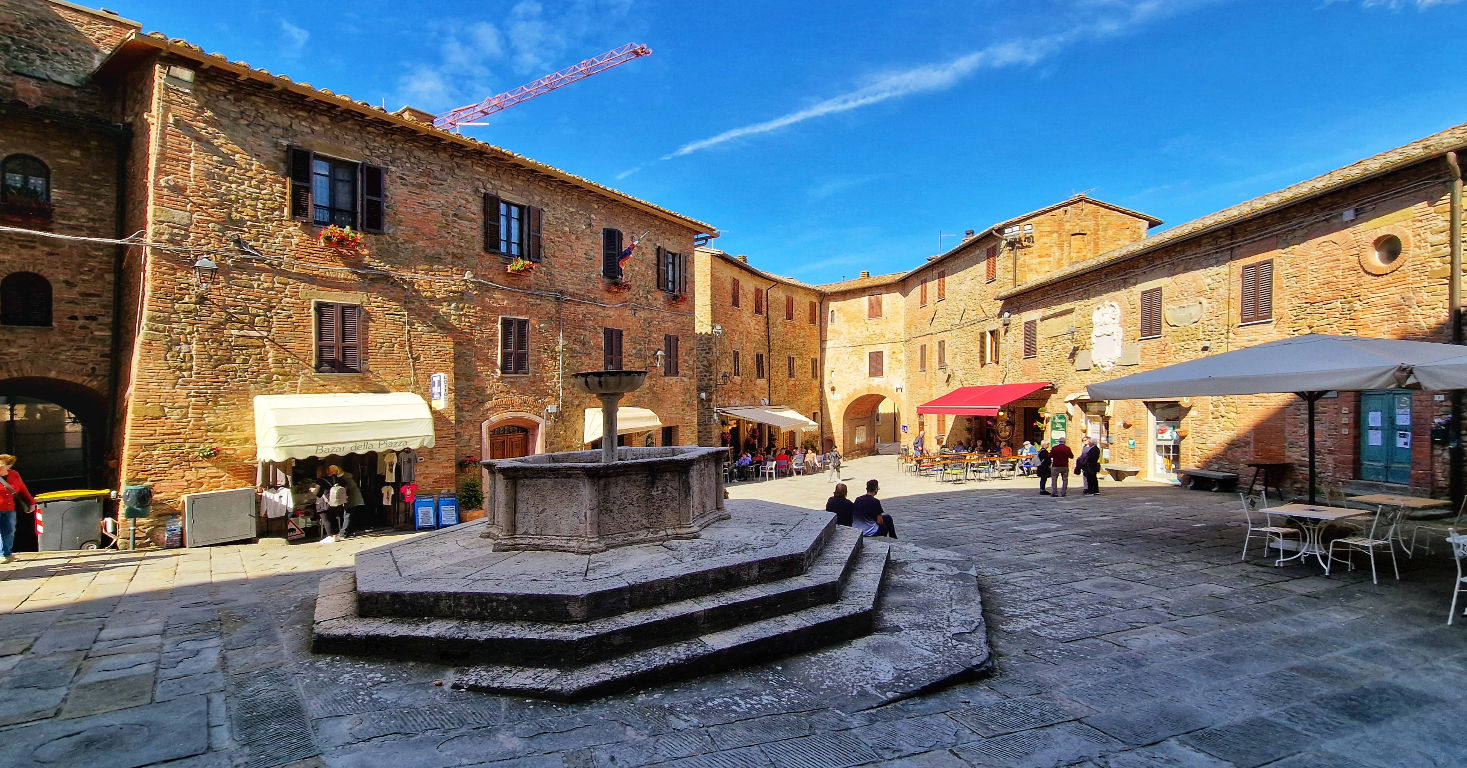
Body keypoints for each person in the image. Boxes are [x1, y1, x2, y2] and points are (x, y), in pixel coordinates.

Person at [0, 454, 37, 564]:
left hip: (9, 508)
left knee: (9, 531)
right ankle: (4, 554)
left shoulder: (14, 475)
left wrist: (31, 502)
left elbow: (22, 489)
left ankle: (6, 554)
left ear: (9, 466)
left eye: (2, 466)